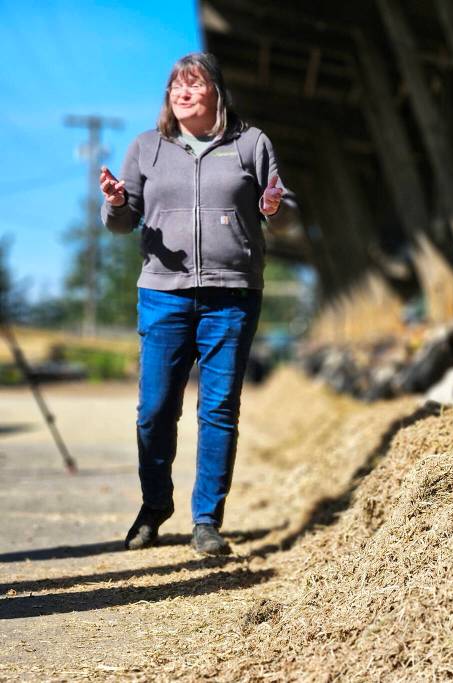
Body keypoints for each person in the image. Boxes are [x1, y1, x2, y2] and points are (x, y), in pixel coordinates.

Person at [99, 52, 296, 555]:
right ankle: (154, 505)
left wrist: (275, 207)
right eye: (175, 86)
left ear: (217, 93)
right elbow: (123, 222)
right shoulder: (147, 147)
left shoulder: (251, 143)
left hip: (232, 294)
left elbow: (286, 211)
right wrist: (116, 203)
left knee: (219, 408)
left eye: (194, 84)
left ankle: (206, 520)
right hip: (163, 293)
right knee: (155, 409)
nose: (182, 93)